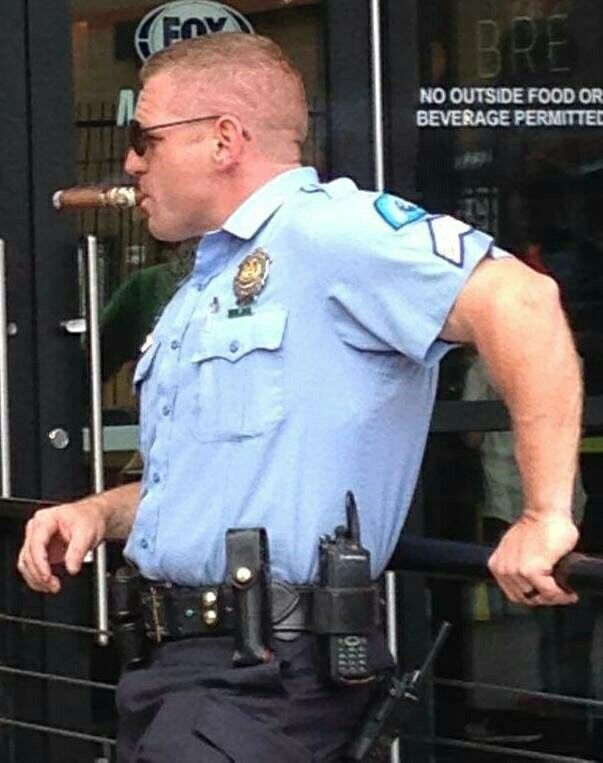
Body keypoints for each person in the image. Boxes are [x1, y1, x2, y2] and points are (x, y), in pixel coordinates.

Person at [17, 33, 582, 762]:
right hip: (181, 673)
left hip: (266, 675)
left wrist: (542, 513)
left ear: (223, 140)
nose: (131, 163)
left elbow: (522, 301)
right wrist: (97, 512)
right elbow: (209, 483)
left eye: (144, 139)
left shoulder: (331, 229)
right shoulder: (208, 281)